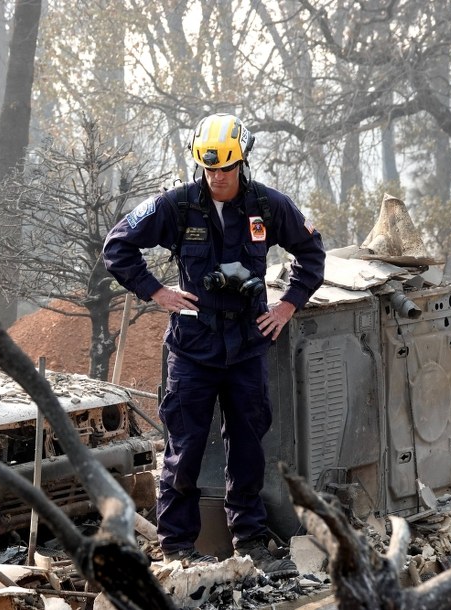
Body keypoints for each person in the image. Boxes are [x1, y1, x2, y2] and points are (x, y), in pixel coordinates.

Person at [102, 113, 325, 577]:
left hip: (247, 345)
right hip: (193, 348)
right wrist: (156, 292)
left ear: (241, 162)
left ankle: (251, 540)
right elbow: (118, 245)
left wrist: (287, 306)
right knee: (185, 447)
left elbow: (311, 253)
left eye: (226, 168)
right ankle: (177, 546)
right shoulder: (177, 206)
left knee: (247, 446)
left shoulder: (268, 205)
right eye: (210, 169)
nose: (218, 177)